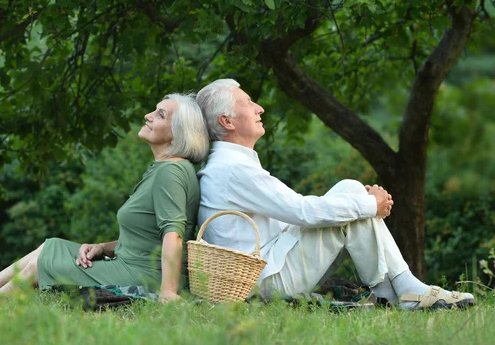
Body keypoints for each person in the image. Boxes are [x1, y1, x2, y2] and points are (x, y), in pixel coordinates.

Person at [195, 79, 474, 310]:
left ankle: (400, 292)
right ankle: (405, 291)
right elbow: (302, 212)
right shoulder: (232, 169)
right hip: (264, 281)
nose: (259, 107)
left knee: (350, 195)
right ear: (227, 121)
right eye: (246, 102)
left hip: (267, 270)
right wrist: (368, 204)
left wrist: (358, 204)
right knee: (352, 195)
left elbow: (294, 215)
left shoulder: (233, 164)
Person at [0, 93, 209, 305]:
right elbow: (149, 236)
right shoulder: (163, 168)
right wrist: (102, 247)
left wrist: (168, 292)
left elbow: (174, 234)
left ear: (178, 133)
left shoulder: (171, 170)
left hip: (141, 276)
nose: (148, 115)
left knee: (40, 265)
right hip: (130, 263)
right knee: (51, 246)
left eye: (160, 114)